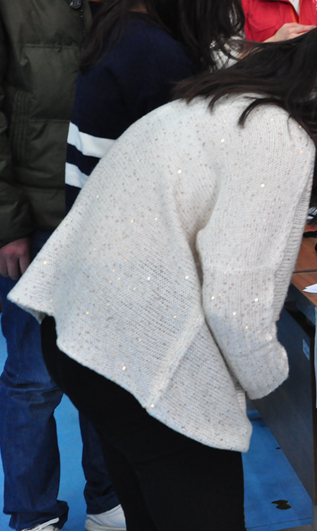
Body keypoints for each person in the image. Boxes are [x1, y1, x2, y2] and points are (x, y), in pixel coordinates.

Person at [8, 9, 317, 530]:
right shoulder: (280, 135)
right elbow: (234, 304)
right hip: (133, 356)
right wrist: (273, 380)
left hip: (84, 333)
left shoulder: (245, 99)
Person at [0, 2, 125, 531]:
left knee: (109, 366)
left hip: (110, 207)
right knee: (33, 377)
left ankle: (109, 500)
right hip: (37, 212)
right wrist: (7, 221)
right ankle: (33, 513)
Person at [66, 0, 244, 211]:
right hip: (125, 219)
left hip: (93, 215)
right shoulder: (157, 55)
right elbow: (189, 175)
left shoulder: (120, 28)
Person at [241, 0, 317, 42]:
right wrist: (273, 42)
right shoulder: (242, 3)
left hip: (315, 81)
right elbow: (232, 61)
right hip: (261, 81)